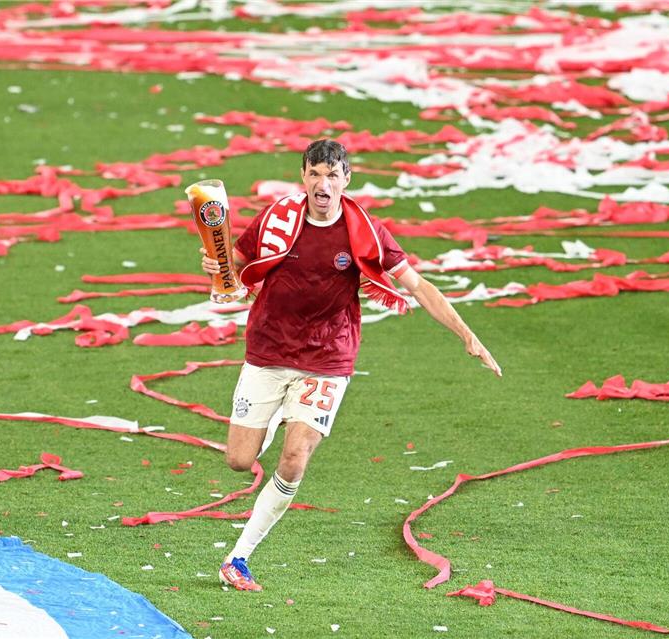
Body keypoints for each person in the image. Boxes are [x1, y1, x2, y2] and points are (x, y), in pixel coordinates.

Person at [200, 139, 500, 592]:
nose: (323, 184)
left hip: (327, 358)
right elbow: (236, 263)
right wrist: (215, 264)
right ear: (303, 177)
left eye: (332, 175)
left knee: (295, 456)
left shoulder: (365, 232)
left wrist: (468, 335)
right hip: (268, 351)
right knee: (239, 461)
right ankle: (282, 411)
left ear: (347, 179)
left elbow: (418, 286)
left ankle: (238, 558)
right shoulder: (277, 219)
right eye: (315, 174)